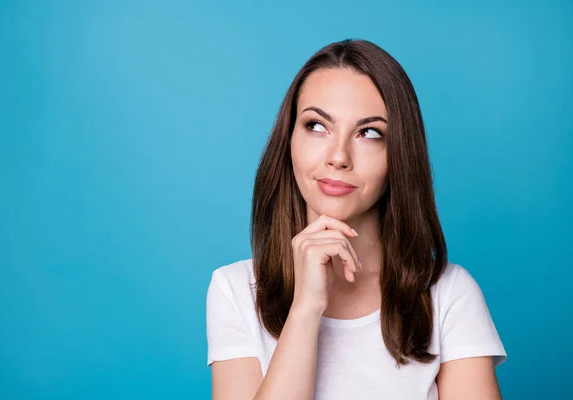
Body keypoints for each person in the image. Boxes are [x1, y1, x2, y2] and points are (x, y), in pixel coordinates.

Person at [206, 39, 507, 400]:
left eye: (369, 133)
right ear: (288, 140)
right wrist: (306, 309)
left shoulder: (448, 295)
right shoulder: (236, 290)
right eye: (317, 126)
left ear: (399, 156)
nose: (338, 157)